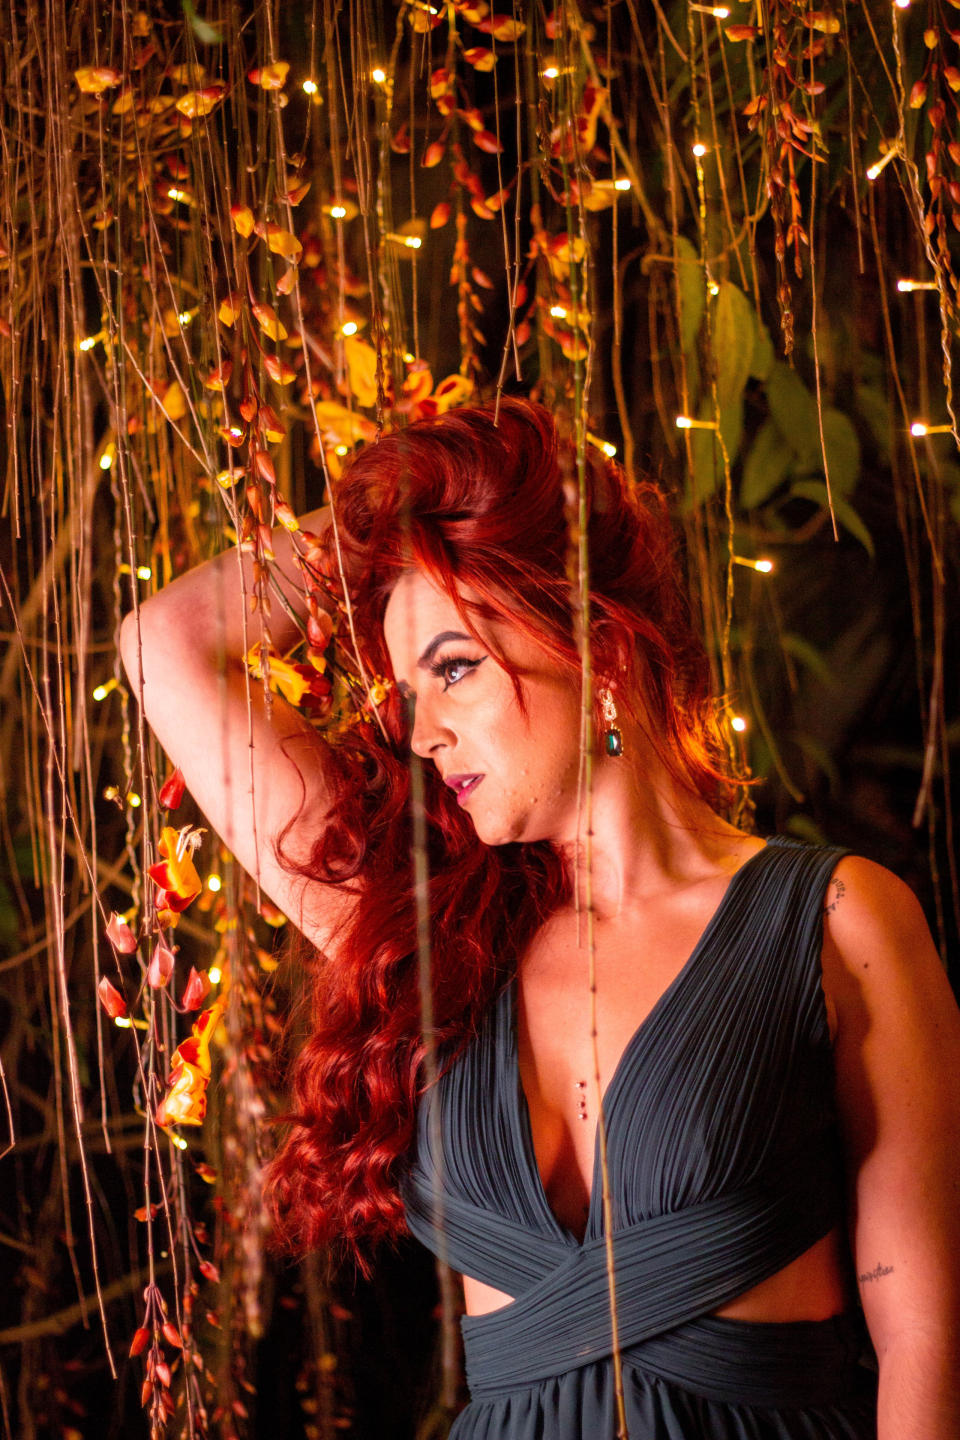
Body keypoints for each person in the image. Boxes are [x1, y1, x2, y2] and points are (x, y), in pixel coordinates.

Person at [121, 399, 960, 1439]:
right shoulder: (416, 936)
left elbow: (923, 1334)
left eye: (455, 669)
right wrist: (396, 515)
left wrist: (487, 519)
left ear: (597, 641)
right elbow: (168, 642)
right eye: (408, 693)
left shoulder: (835, 921)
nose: (423, 732)